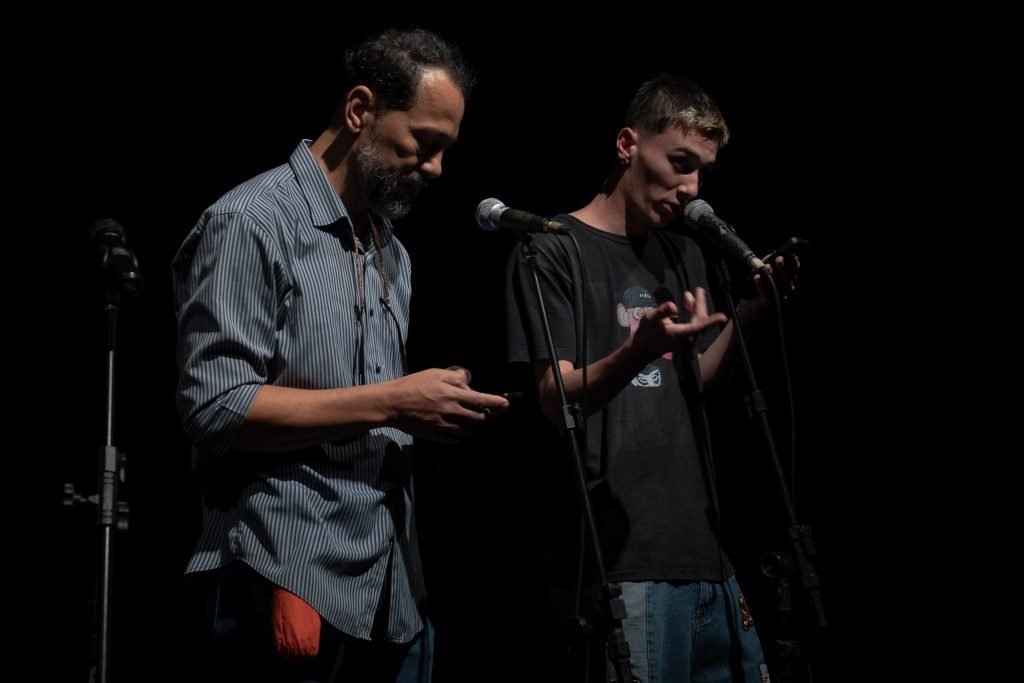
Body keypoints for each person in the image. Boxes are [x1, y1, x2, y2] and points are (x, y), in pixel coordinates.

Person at [172, 27, 508, 683]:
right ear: (360, 110)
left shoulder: (393, 251)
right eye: (425, 143)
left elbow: (367, 405)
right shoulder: (252, 222)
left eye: (447, 150)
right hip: (286, 571)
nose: (437, 167)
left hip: (392, 588)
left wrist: (429, 400)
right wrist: (397, 399)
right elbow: (214, 407)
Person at [505, 73, 798, 682]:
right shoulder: (551, 249)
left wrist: (750, 311)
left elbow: (695, 385)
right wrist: (636, 352)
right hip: (623, 560)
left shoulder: (682, 253)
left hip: (706, 552)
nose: (690, 189)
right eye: (680, 162)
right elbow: (553, 397)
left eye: (702, 173)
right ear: (627, 144)